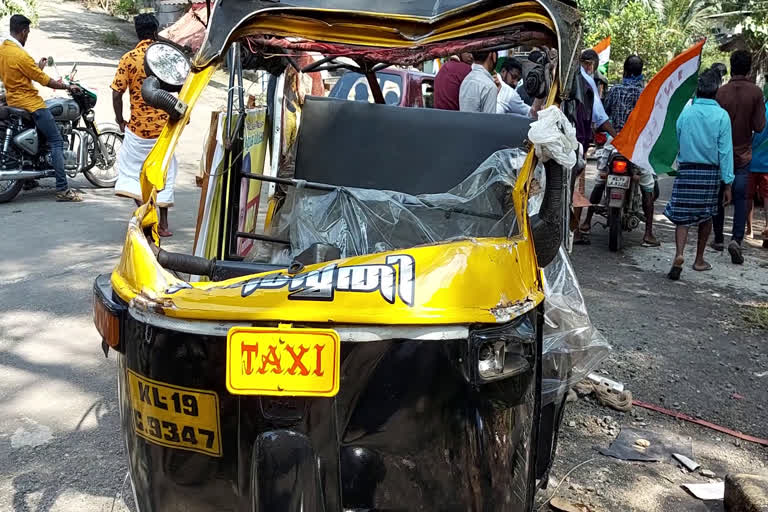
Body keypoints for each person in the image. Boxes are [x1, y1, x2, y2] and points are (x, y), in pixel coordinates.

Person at [0, 14, 82, 201]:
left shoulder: (3, 50)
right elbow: (44, 81)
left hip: (13, 100)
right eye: (27, 33)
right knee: (56, 141)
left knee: (43, 137)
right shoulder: (20, 54)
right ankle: (62, 189)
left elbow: (21, 75)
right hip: (30, 103)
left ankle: (29, 179)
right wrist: (68, 86)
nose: (27, 36)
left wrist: (37, 67)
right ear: (23, 31)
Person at [581, 55, 659, 246]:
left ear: (624, 71)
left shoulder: (615, 91)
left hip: (613, 143)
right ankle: (648, 233)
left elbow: (603, 116)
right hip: (636, 147)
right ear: (641, 73)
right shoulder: (645, 94)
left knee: (601, 179)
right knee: (648, 186)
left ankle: (586, 222)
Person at [111, 14, 177, 237]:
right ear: (156, 31)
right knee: (165, 172)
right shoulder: (164, 56)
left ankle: (146, 218)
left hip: (138, 130)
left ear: (137, 32)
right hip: (164, 129)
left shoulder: (129, 59)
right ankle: (164, 225)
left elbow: (116, 92)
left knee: (131, 171)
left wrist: (120, 119)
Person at [664, 69, 734, 280]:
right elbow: (725, 151)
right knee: (707, 215)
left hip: (686, 169)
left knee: (682, 217)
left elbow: (678, 136)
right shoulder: (722, 116)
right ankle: (699, 259)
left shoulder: (686, 113)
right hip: (709, 173)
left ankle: (679, 254)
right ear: (717, 90)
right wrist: (728, 183)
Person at [713, 50, 766, 263]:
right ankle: (736, 239)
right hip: (743, 154)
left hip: (720, 154)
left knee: (718, 196)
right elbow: (760, 126)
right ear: (749, 68)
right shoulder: (755, 92)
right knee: (743, 198)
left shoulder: (720, 93)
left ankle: (717, 238)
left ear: (731, 66)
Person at [573, 49, 617, 244]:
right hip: (576, 141)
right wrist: (618, 136)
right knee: (577, 188)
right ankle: (575, 229)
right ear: (590, 65)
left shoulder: (566, 77)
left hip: (558, 138)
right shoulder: (587, 82)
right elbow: (600, 118)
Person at [749, 97, 768, 248]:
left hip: (750, 160)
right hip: (766, 164)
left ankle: (749, 231)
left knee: (748, 197)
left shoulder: (759, 108)